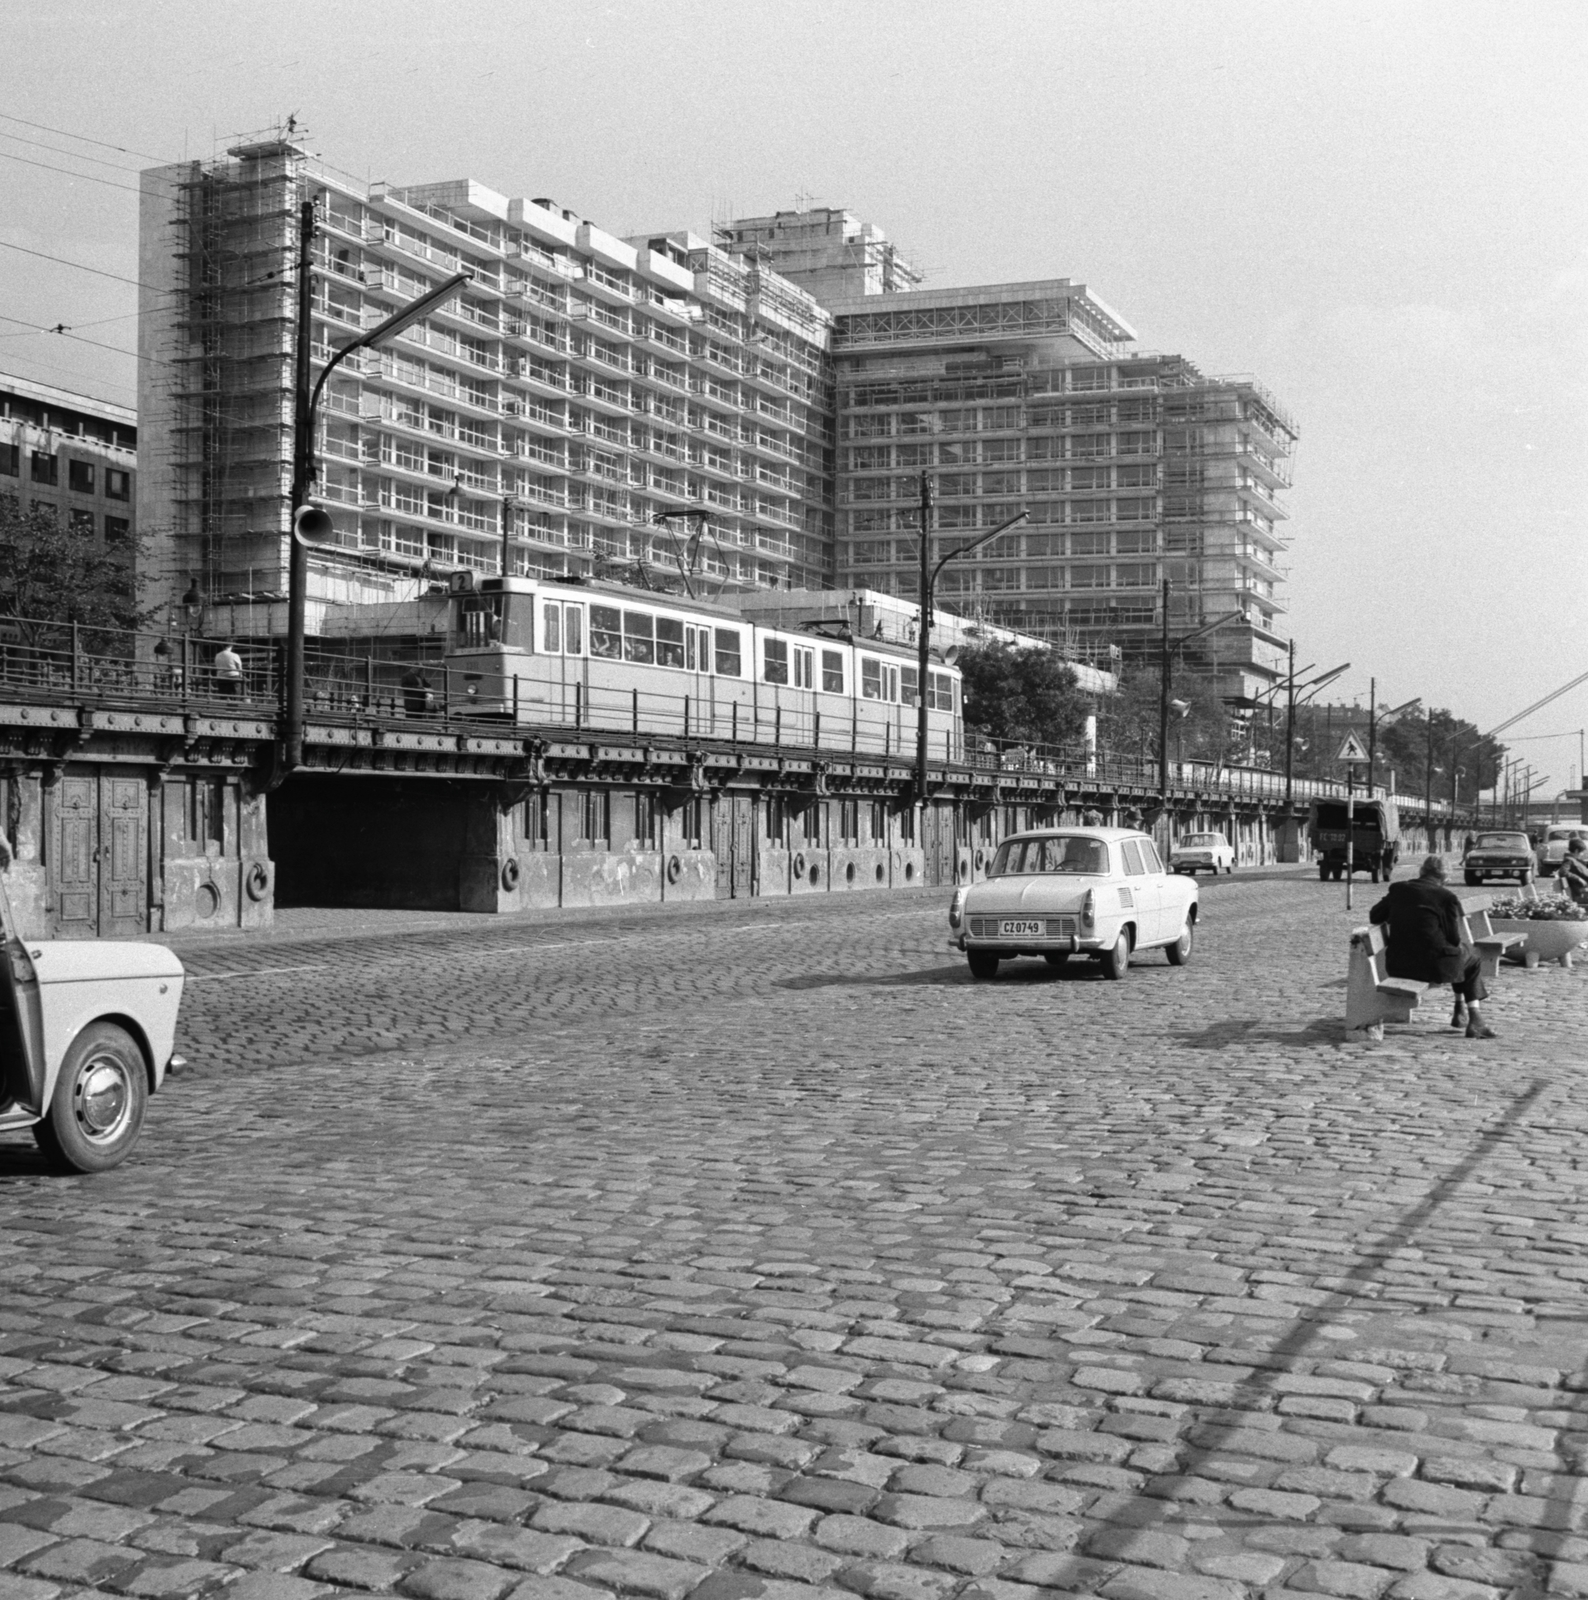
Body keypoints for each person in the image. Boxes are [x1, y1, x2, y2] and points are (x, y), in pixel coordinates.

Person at [1370, 855, 1495, 1039]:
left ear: (1422, 871)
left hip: (1398, 965)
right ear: (1445, 878)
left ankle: (1461, 1010)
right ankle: (1472, 1016)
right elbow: (1453, 938)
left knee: (1459, 957)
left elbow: (1375, 916)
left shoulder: (1399, 889)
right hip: (1432, 968)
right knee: (1471, 956)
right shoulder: (1446, 897)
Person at [1559, 838, 1588, 907]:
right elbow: (1563, 872)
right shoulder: (1569, 860)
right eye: (1582, 852)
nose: (1582, 854)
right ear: (1576, 851)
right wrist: (1578, 879)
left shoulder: (1574, 860)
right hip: (1580, 891)